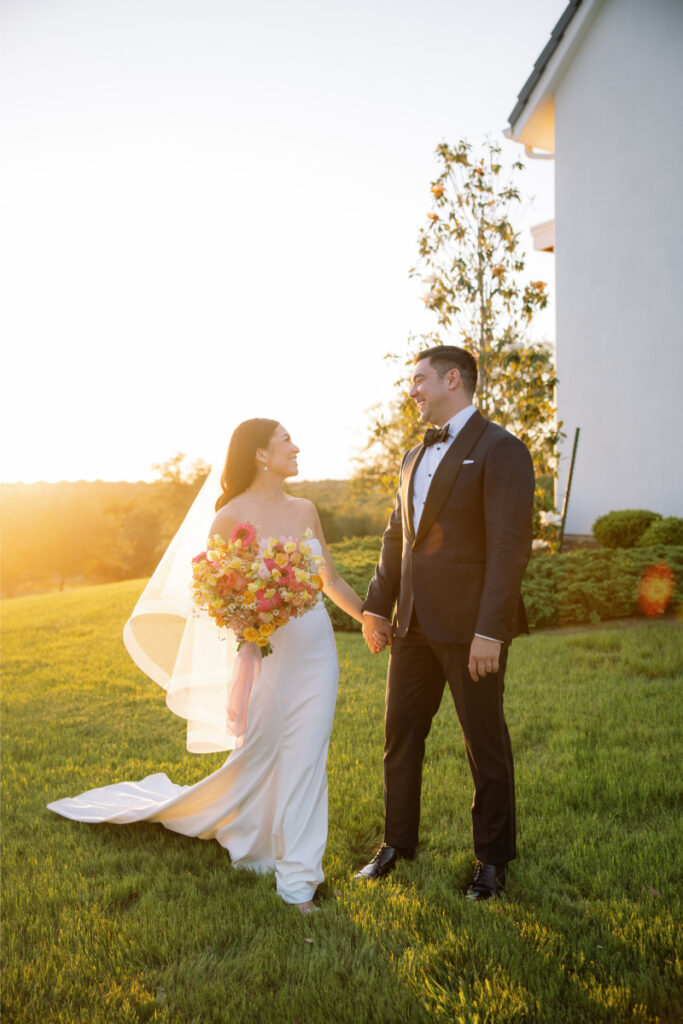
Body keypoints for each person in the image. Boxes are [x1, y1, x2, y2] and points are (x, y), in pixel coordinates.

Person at [48, 418, 368, 913]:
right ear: (260, 454)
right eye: (286, 440)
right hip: (269, 651)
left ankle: (299, 881)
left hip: (316, 648)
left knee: (308, 759)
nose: (296, 447)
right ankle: (237, 826)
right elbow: (220, 598)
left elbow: (329, 578)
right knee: (260, 752)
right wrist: (252, 627)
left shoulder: (305, 508)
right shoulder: (228, 518)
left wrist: (369, 617)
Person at [355, 345, 534, 900]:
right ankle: (397, 843)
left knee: (485, 744)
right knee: (400, 737)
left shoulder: (502, 449)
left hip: (468, 629)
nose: (412, 390)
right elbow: (396, 538)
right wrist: (375, 607)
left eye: (419, 380)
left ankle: (492, 861)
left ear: (452, 379)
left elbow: (509, 547)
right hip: (410, 627)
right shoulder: (412, 455)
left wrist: (491, 631)